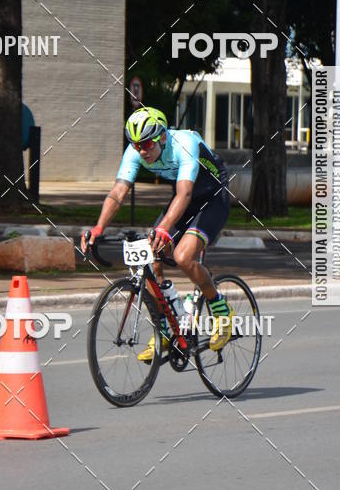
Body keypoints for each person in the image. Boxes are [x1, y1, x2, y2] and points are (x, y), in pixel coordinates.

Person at [80, 106, 234, 361]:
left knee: (184, 257)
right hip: (184, 199)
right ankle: (167, 326)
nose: (142, 150)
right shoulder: (136, 152)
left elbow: (184, 193)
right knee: (150, 259)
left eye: (147, 143)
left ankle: (220, 309)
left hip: (212, 198)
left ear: (162, 137)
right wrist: (98, 228)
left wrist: (163, 229)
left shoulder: (185, 143)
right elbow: (118, 192)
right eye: (136, 144)